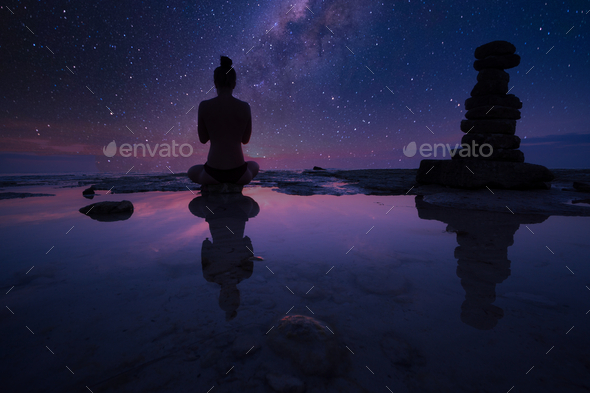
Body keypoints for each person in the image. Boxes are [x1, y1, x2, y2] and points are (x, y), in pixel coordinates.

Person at [187, 56, 260, 186]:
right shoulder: (245, 107)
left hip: (212, 174)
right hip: (239, 174)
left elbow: (203, 139)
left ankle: (214, 188)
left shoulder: (204, 105)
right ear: (234, 84)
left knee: (192, 171)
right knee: (254, 165)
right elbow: (245, 140)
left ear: (215, 83)